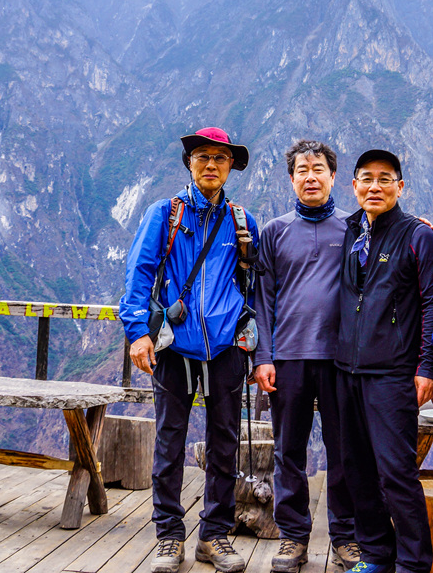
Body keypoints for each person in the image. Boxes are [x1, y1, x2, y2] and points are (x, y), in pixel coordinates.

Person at [119, 126, 261, 573]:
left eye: (220, 158)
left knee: (224, 444)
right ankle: (169, 535)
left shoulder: (242, 222)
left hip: (225, 347)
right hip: (175, 346)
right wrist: (137, 332)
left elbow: (254, 283)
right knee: (170, 442)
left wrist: (250, 334)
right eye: (203, 156)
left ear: (231, 166)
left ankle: (214, 536)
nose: (211, 165)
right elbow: (139, 274)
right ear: (190, 163)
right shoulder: (165, 215)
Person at [254, 140, 359, 572]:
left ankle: (346, 537)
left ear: (333, 177)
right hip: (288, 357)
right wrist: (263, 357)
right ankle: (293, 538)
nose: (311, 177)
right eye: (302, 170)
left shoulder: (354, 228)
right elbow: (263, 300)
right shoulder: (274, 232)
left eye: (319, 169)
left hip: (341, 360)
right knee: (289, 451)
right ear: (291, 178)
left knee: (345, 451)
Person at [335, 149, 433, 573]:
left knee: (396, 471)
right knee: (357, 469)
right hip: (347, 370)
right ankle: (377, 554)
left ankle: (413, 563)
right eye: (366, 178)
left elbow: (432, 302)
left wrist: (427, 366)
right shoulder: (351, 231)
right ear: (354, 186)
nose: (374, 186)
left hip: (393, 373)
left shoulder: (417, 235)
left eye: (385, 179)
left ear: (401, 186)